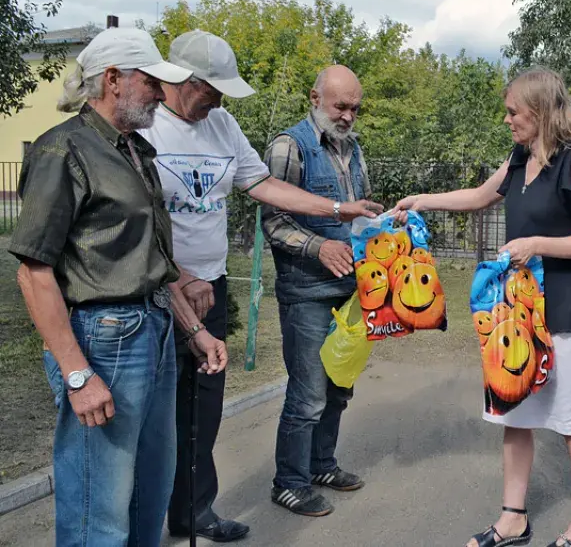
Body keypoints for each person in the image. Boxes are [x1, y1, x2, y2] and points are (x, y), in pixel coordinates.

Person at [138, 31, 381, 541]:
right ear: (184, 79)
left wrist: (344, 214)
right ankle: (141, 522)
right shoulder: (144, 129)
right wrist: (180, 276)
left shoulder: (222, 124)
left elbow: (262, 187)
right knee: (153, 415)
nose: (221, 99)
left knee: (204, 406)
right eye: (213, 88)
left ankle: (193, 513)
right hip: (160, 288)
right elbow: (269, 218)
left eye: (355, 109)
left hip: (214, 288)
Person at [8, 27, 228, 547]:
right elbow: (33, 272)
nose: (159, 93)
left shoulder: (136, 151)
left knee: (150, 495)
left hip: (153, 329)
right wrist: (77, 373)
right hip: (102, 339)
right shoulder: (63, 151)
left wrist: (194, 329)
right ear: (112, 80)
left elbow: (152, 263)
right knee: (98, 509)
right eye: (151, 81)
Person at [393, 67, 571, 547]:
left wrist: (538, 242)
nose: (508, 119)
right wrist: (421, 200)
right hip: (516, 313)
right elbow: (478, 197)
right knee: (515, 418)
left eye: (514, 111)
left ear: (539, 110)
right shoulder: (518, 158)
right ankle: (513, 517)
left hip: (562, 315)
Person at [261, 65, 383, 516]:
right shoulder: (288, 146)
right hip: (306, 290)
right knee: (308, 391)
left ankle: (321, 464)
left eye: (355, 107)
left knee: (338, 384)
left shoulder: (353, 150)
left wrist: (385, 227)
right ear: (315, 99)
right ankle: (288, 482)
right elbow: (273, 221)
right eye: (340, 106)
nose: (349, 115)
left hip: (349, 290)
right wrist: (318, 247)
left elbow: (359, 214)